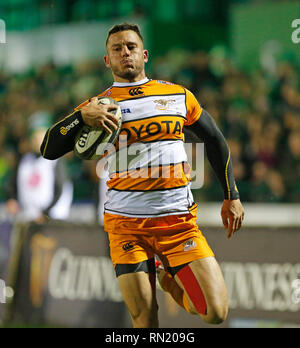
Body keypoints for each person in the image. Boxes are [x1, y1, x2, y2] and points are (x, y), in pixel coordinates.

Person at [40, 23, 245, 328]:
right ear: (107, 60)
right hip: (126, 227)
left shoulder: (176, 96)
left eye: (131, 47)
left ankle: (168, 279)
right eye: (117, 49)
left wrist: (232, 196)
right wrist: (80, 117)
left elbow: (214, 139)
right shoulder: (98, 107)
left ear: (144, 54)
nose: (125, 53)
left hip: (178, 224)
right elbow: (48, 147)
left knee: (215, 313)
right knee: (145, 320)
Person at [6, 111, 73, 223]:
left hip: (51, 219)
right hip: (29, 218)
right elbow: (12, 184)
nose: (38, 140)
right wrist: (11, 199)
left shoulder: (55, 159)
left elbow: (60, 188)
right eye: (34, 136)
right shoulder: (24, 160)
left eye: (41, 135)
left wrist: (45, 213)